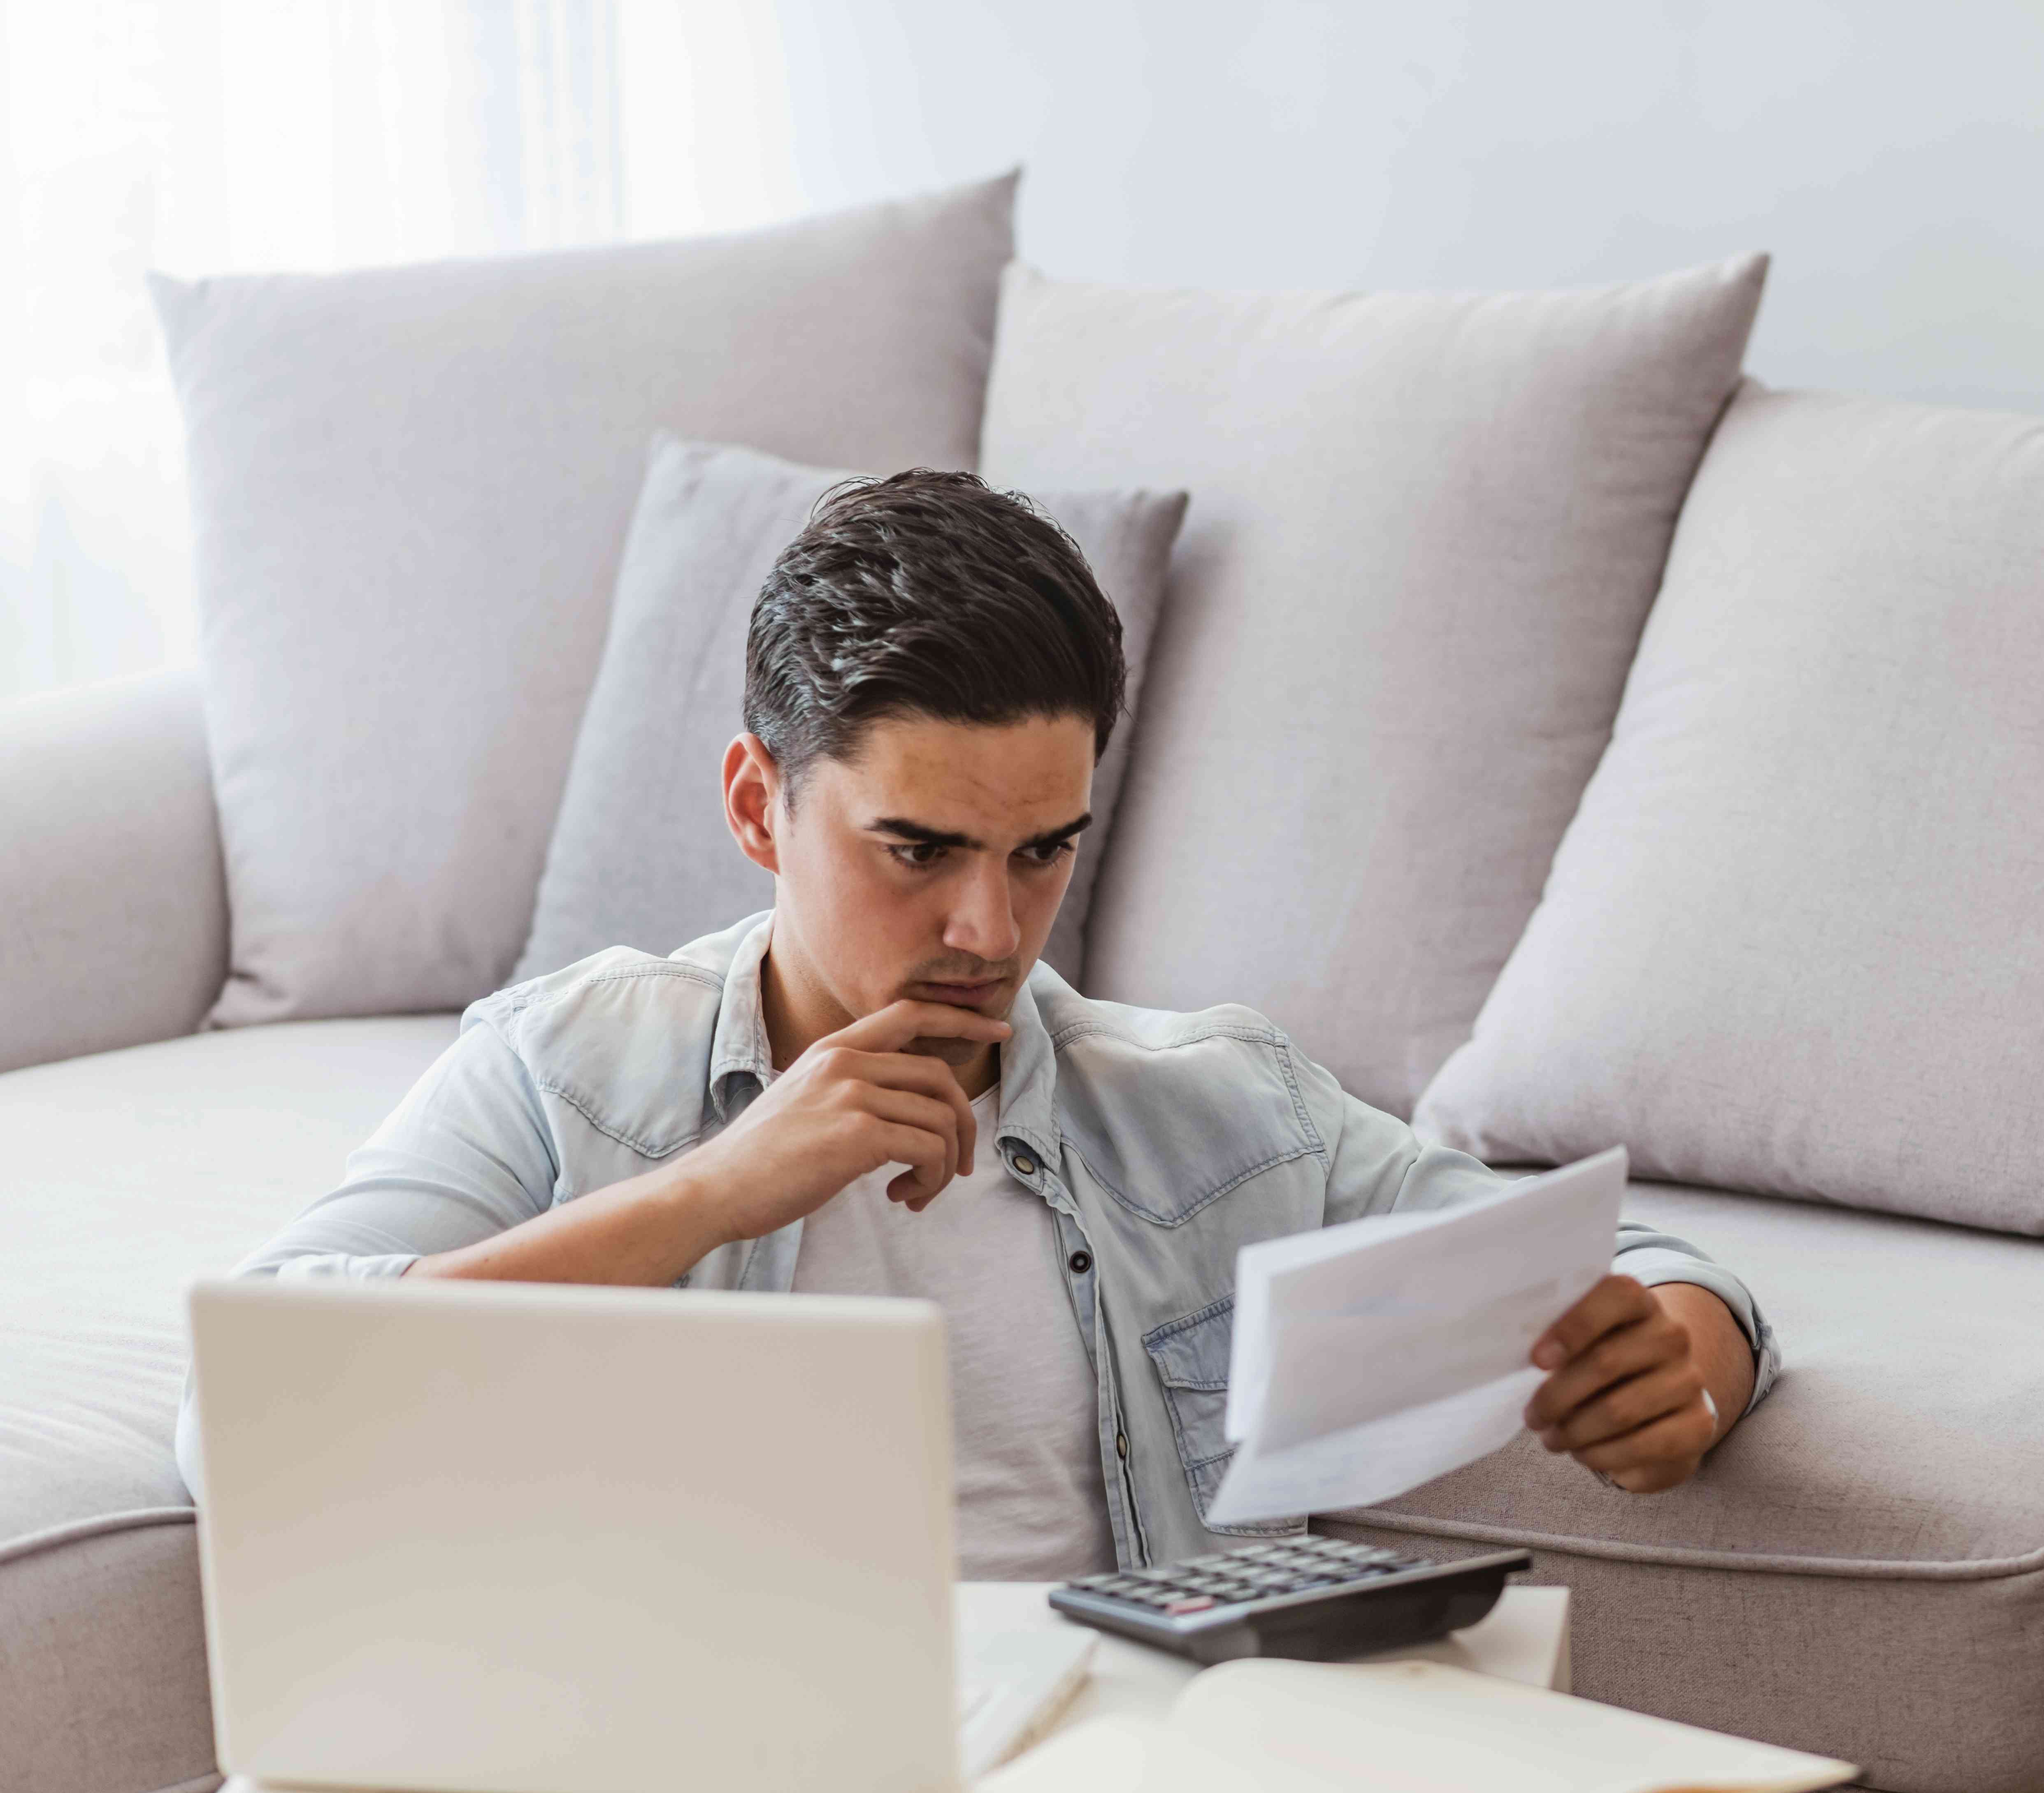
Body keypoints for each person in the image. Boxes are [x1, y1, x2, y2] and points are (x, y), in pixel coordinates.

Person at [195, 471, 1772, 1577]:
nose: (990, 931)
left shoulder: (1217, 1111)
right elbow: (245, 1411)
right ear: (760, 804)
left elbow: (1646, 1267)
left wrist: (1679, 1365)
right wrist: (716, 1191)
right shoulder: (568, 1071)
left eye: (1043, 853)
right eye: (920, 850)